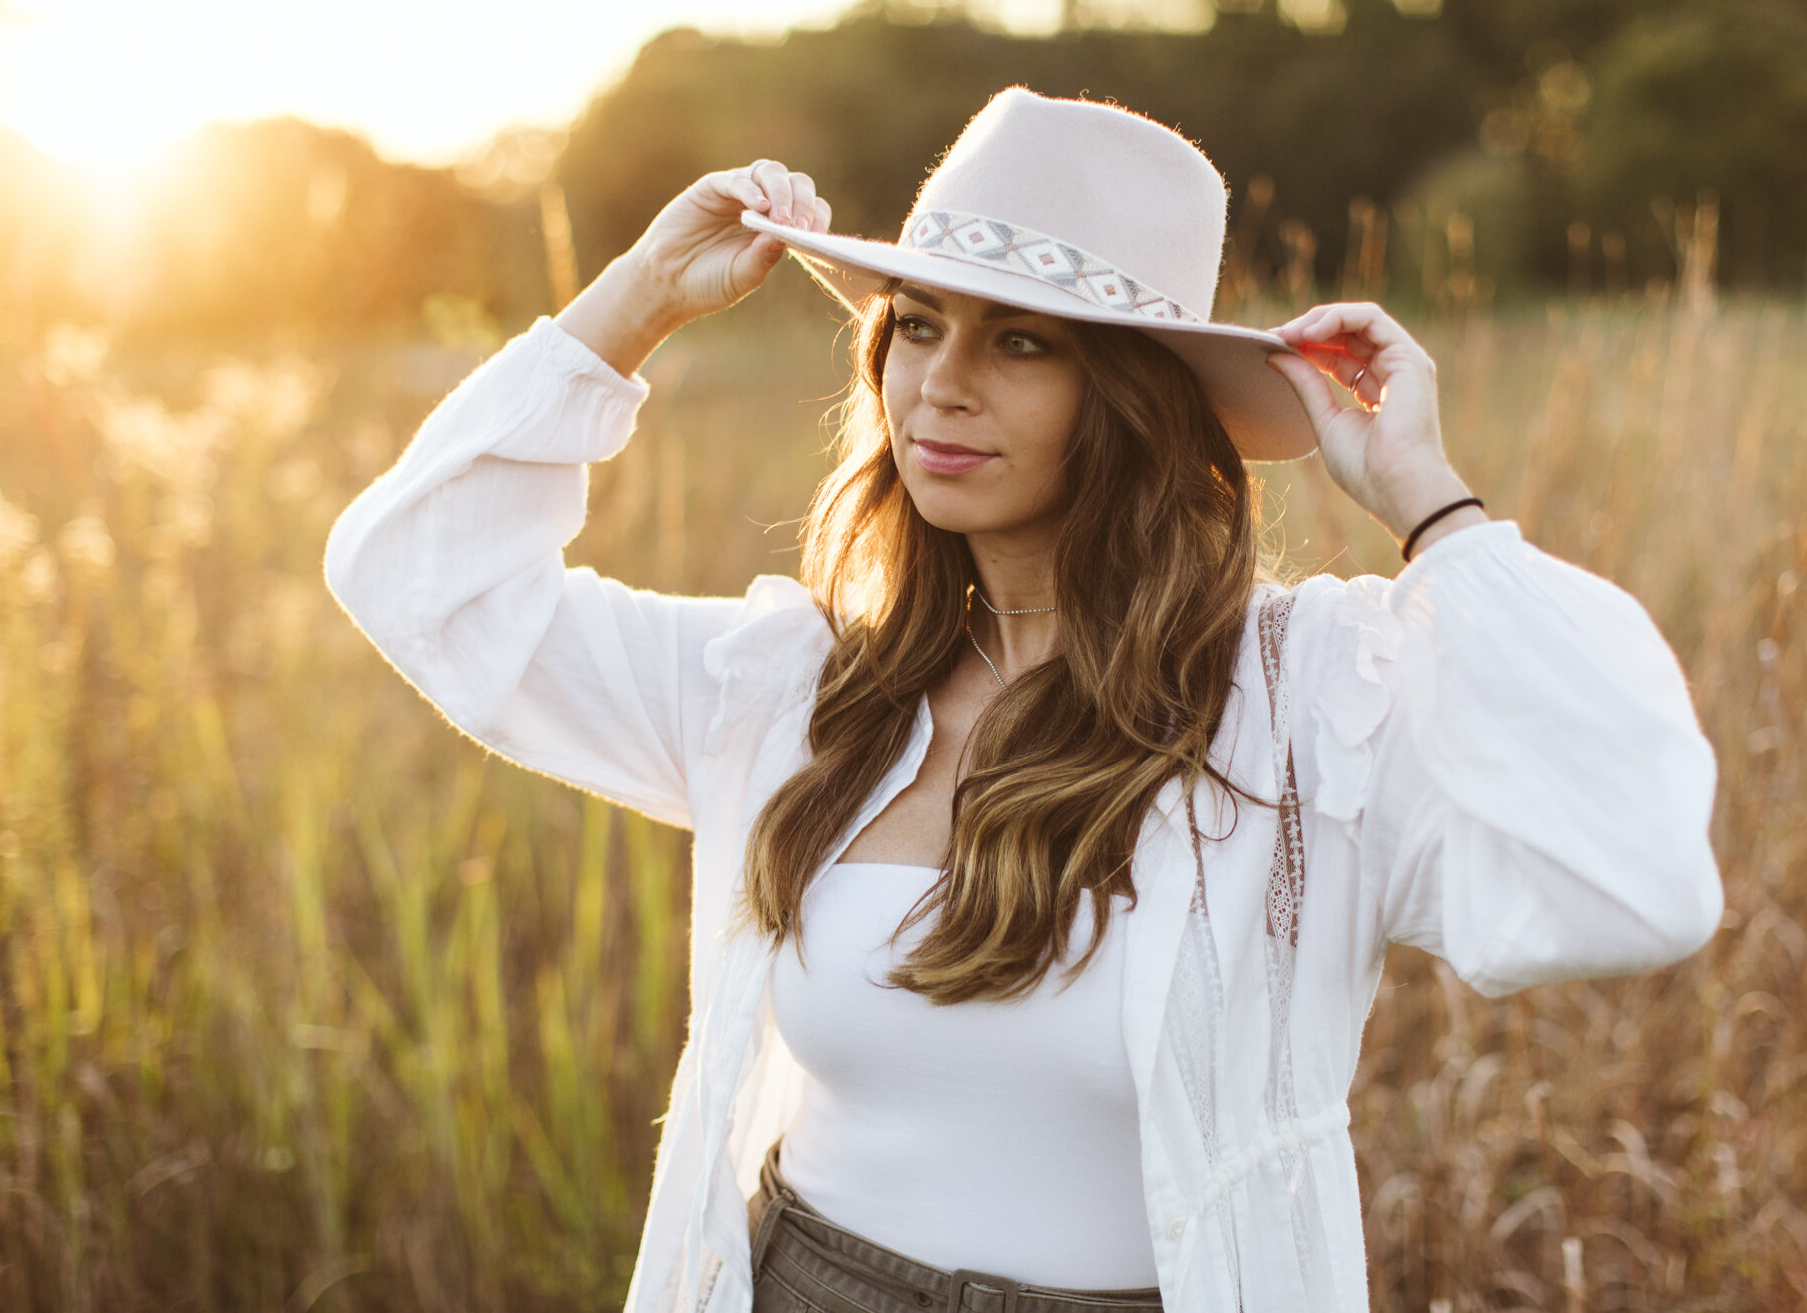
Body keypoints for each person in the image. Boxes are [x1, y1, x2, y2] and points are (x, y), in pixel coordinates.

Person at [324, 87, 1724, 1313]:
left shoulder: (1307, 711)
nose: (939, 384)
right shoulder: (798, 691)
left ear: (1134, 397)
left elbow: (1636, 876)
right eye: (916, 326)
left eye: (1021, 344)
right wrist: (628, 303)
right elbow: (422, 583)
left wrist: (1434, 503)